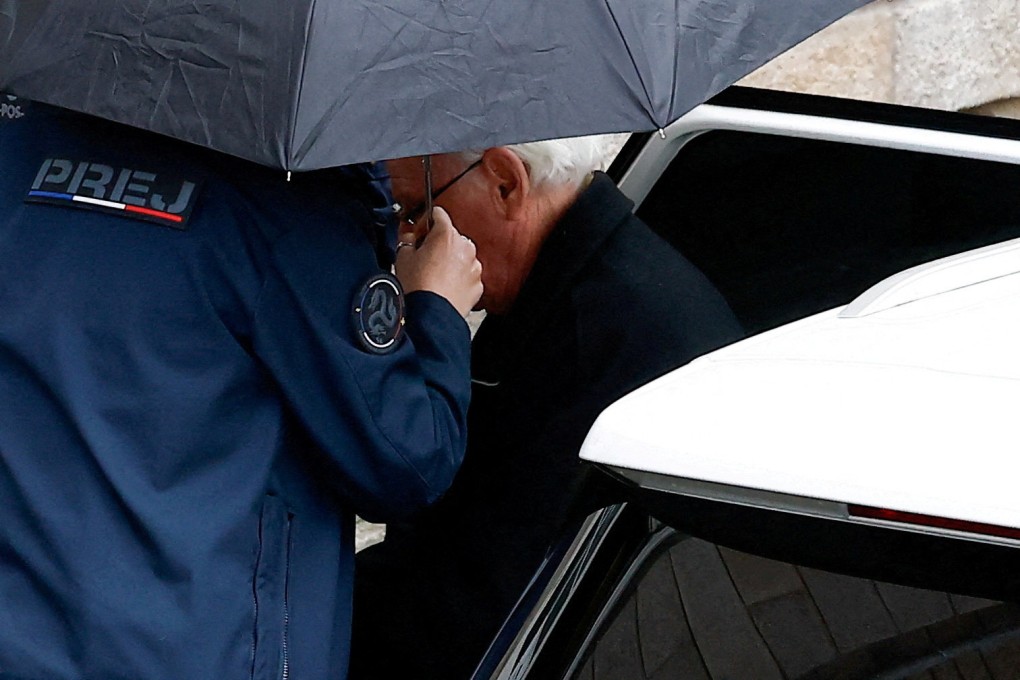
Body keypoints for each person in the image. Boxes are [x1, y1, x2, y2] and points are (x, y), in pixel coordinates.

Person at [0, 97, 481, 679]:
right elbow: (407, 456)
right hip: (194, 648)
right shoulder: (288, 201)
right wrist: (437, 308)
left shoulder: (19, 138)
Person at [352, 135, 744, 677]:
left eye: (416, 210)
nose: (405, 239)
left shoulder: (606, 330)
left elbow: (480, 597)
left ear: (506, 183)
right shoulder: (573, 283)